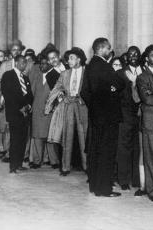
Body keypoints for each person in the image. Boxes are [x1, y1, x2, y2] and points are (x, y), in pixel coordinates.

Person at [80, 38, 125, 197]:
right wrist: (112, 91)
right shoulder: (104, 66)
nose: (110, 51)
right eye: (108, 48)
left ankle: (96, 187)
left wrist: (95, 107)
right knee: (107, 153)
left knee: (96, 152)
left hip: (96, 117)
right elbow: (120, 82)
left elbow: (84, 92)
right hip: (108, 117)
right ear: (102, 49)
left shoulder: (90, 66)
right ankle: (105, 189)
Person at [46, 47, 88, 176]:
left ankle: (87, 167)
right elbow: (56, 89)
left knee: (84, 137)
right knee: (67, 137)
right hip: (68, 105)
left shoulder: (87, 73)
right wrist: (53, 102)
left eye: (71, 58)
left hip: (82, 106)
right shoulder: (64, 74)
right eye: (68, 58)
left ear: (79, 59)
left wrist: (84, 99)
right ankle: (65, 167)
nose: (68, 60)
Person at [136, 45, 153, 202]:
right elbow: (148, 99)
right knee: (150, 156)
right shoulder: (142, 77)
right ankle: (152, 190)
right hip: (150, 122)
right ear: (146, 59)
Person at [1, 55, 33, 174]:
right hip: (14, 113)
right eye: (22, 62)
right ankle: (13, 166)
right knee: (15, 140)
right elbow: (7, 95)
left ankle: (19, 164)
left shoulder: (25, 77)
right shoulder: (8, 75)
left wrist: (28, 105)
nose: (24, 65)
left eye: (25, 63)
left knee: (23, 139)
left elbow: (30, 94)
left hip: (25, 114)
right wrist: (20, 107)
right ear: (16, 63)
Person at [116, 46, 142, 191]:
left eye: (136, 54)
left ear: (139, 56)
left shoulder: (144, 71)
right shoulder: (120, 73)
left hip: (141, 114)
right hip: (125, 115)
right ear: (127, 56)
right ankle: (124, 179)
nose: (133, 56)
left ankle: (136, 179)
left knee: (138, 147)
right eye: (131, 54)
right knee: (124, 147)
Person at [29, 55, 58, 169]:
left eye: (44, 63)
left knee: (50, 136)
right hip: (36, 111)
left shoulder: (55, 76)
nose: (42, 66)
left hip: (49, 111)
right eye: (41, 63)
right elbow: (31, 93)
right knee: (37, 136)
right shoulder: (36, 76)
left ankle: (54, 161)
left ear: (50, 64)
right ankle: (37, 161)